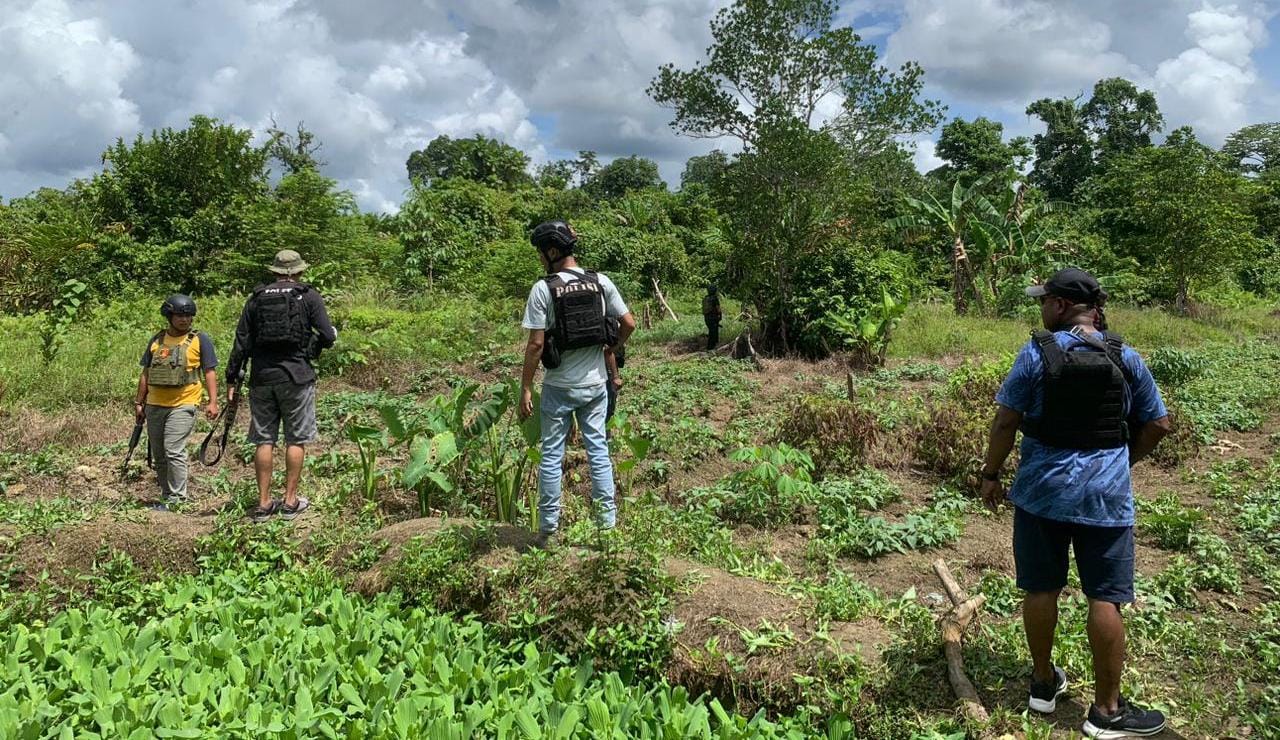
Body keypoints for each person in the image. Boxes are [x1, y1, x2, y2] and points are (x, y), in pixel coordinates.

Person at [979, 268, 1172, 739]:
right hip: (1105, 498)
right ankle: (1106, 712)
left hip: (1041, 494)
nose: (1040, 307)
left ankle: (1043, 684)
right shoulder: (1126, 356)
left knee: (1041, 588)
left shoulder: (1035, 354)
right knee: (1105, 596)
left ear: (1062, 306)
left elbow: (1006, 423)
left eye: (1044, 300)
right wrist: (1119, 461)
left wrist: (988, 474)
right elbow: (1160, 424)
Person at [518, 221, 635, 546]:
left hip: (558, 389)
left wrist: (526, 387)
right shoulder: (600, 282)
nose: (541, 259)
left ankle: (549, 532)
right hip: (596, 387)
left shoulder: (544, 289)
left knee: (552, 456)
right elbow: (628, 322)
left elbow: (536, 345)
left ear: (552, 251)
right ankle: (607, 530)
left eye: (542, 253)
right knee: (598, 451)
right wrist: (611, 348)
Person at [226, 249, 337, 522]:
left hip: (262, 379)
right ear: (299, 271)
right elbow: (327, 334)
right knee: (295, 438)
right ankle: (290, 501)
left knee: (264, 439)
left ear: (274, 272)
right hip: (297, 378)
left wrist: (232, 378)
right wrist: (315, 347)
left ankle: (263, 504)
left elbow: (241, 341)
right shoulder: (307, 295)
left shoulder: (255, 299)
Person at [134, 294, 219, 510]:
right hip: (154, 404)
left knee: (174, 449)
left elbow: (209, 372)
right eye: (180, 315)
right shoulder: (156, 340)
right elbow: (146, 372)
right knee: (159, 453)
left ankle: (178, 498)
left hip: (184, 403)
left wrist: (212, 401)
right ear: (169, 316)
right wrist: (139, 402)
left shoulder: (200, 340)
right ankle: (167, 495)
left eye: (189, 316)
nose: (185, 319)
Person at [702, 284, 722, 350]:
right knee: (714, 333)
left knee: (711, 332)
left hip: (707, 318)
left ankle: (711, 347)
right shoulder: (714, 298)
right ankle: (711, 348)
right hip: (713, 317)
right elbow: (718, 308)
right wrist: (720, 315)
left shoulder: (705, 298)